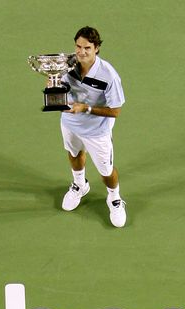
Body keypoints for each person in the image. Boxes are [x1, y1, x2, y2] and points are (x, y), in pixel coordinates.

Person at [59, 26, 127, 228]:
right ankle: (80, 185)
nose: (81, 52)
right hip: (70, 123)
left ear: (96, 48)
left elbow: (115, 111)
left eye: (87, 48)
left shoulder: (109, 75)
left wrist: (85, 108)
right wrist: (52, 83)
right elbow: (58, 87)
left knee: (106, 171)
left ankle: (114, 198)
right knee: (74, 154)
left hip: (97, 130)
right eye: (78, 46)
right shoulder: (67, 65)